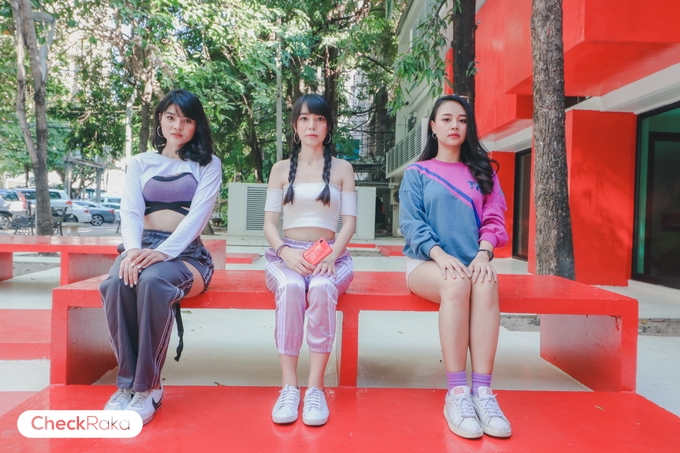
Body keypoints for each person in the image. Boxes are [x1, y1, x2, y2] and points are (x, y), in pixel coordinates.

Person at [99, 89, 222, 424]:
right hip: (141, 246)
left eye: (186, 120)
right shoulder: (141, 162)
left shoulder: (208, 164)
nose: (177, 126)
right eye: (171, 118)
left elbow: (197, 218)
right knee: (115, 284)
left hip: (185, 253)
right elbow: (130, 212)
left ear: (196, 125)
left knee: (153, 282)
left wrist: (162, 252)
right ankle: (126, 385)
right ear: (159, 120)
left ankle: (148, 388)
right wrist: (133, 251)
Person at [399, 94, 511, 439]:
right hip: (426, 264)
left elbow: (495, 217)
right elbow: (412, 224)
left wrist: (483, 254)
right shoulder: (417, 173)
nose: (454, 126)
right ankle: (457, 392)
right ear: (433, 127)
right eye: (446, 119)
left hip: (472, 261)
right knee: (456, 284)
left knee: (486, 284)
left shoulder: (483, 171)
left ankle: (483, 392)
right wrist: (440, 255)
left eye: (462, 120)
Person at [263, 93, 356, 426]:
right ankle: (289, 386)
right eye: (304, 118)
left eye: (318, 119)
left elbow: (349, 223)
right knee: (290, 288)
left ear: (328, 126)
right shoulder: (280, 169)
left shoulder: (343, 168)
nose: (311, 125)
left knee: (320, 288)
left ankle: (315, 388)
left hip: (331, 256)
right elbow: (268, 225)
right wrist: (285, 253)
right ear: (295, 125)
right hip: (286, 255)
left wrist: (331, 255)